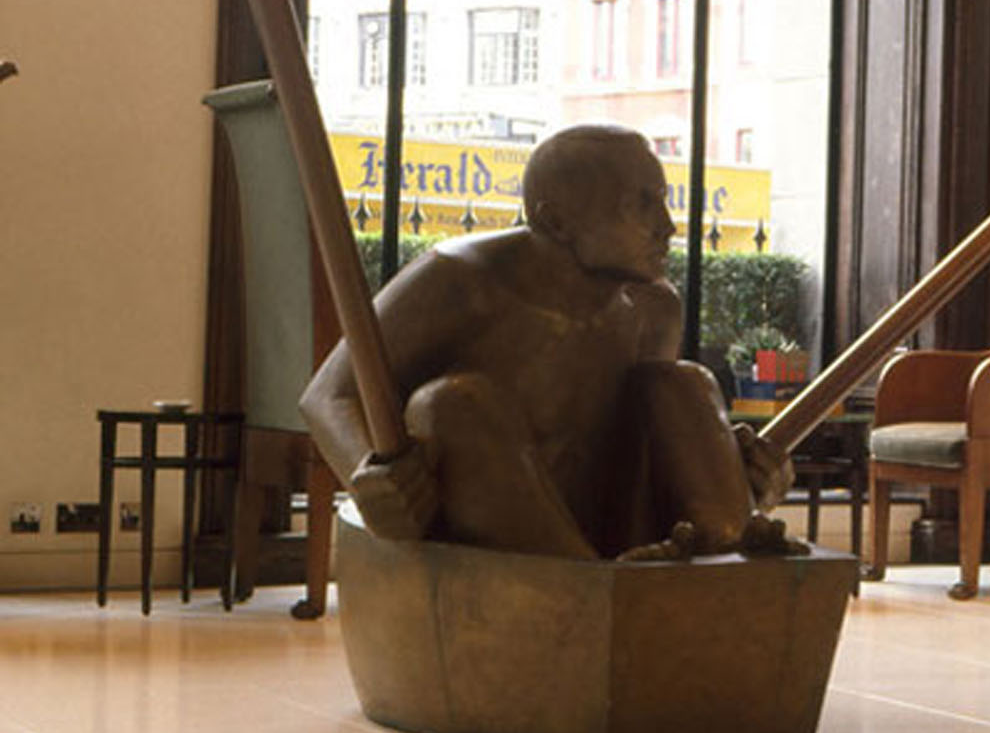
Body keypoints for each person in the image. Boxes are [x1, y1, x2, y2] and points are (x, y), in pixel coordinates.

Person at [299, 124, 795, 560]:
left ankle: (730, 552)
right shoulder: (459, 281)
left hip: (613, 537)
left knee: (682, 383)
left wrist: (738, 475)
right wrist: (374, 480)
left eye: (662, 200)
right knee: (452, 403)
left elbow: (637, 455)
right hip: (495, 555)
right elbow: (329, 395)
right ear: (557, 221)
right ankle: (587, 585)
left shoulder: (651, 308)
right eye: (640, 205)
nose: (666, 226)